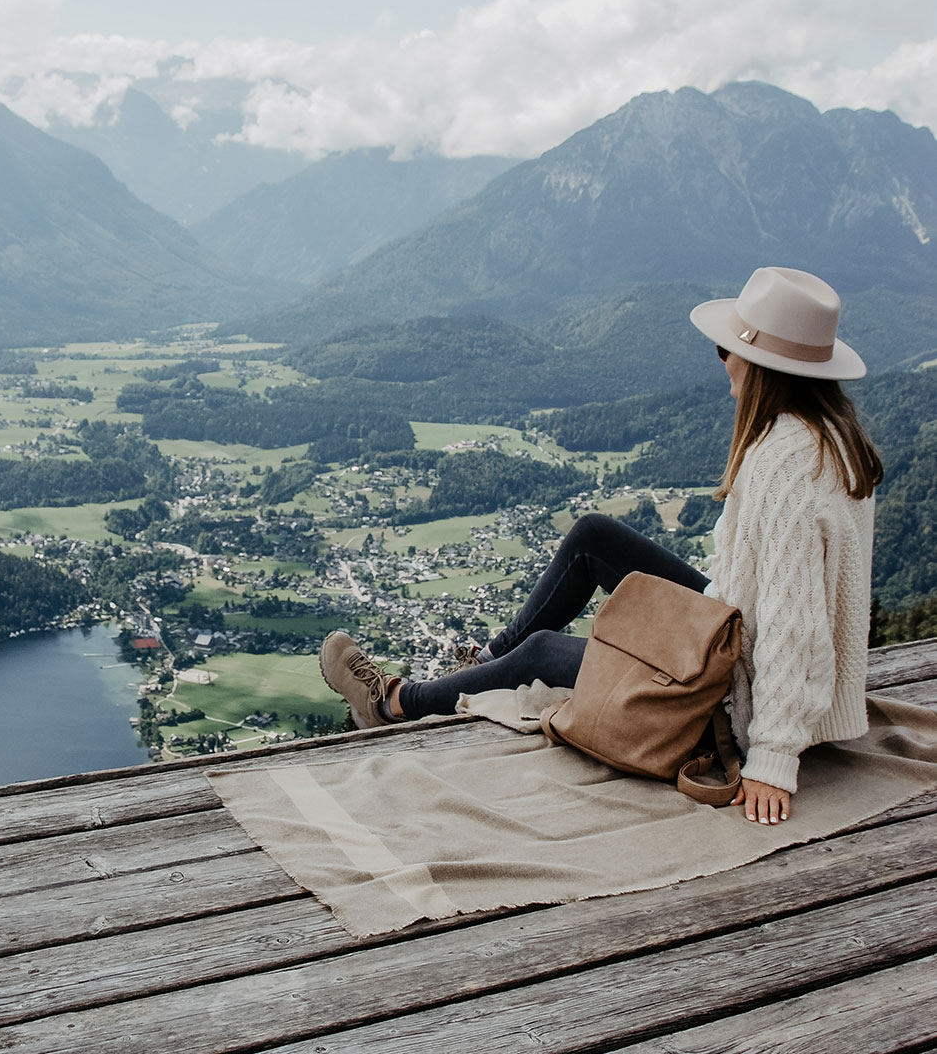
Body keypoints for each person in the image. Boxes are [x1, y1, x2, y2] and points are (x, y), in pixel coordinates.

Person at [319, 267, 883, 830]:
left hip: (730, 690)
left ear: (763, 366)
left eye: (724, 350)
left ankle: (396, 703)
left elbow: (794, 624)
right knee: (593, 535)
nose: (722, 361)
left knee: (542, 651)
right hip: (729, 634)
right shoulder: (830, 435)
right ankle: (487, 667)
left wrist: (773, 756)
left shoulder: (786, 463)